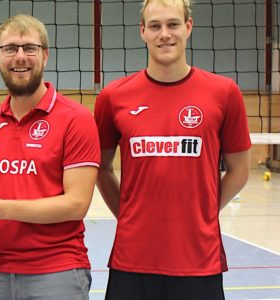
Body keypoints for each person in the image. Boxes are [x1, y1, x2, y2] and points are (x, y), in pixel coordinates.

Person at [94, 0, 251, 299]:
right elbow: (101, 168)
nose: (164, 34)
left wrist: (200, 214)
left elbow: (240, 171)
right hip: (132, 259)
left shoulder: (224, 92)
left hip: (198, 261)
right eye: (155, 26)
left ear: (188, 27)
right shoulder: (113, 97)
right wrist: (127, 214)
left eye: (173, 24)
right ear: (142, 31)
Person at [0, 15, 100, 300]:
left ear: (45, 56)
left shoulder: (76, 119)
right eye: (10, 49)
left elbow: (76, 204)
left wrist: (2, 209)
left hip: (57, 272)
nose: (20, 57)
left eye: (29, 48)